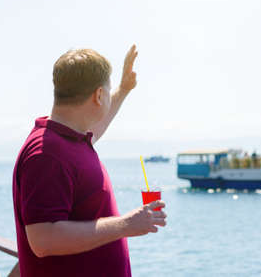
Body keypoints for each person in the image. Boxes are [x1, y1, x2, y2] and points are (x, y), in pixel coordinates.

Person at [12, 45, 167, 277]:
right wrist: (126, 224)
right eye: (107, 90)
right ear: (98, 95)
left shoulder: (67, 139)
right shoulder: (47, 155)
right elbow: (43, 239)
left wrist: (123, 89)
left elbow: (97, 127)